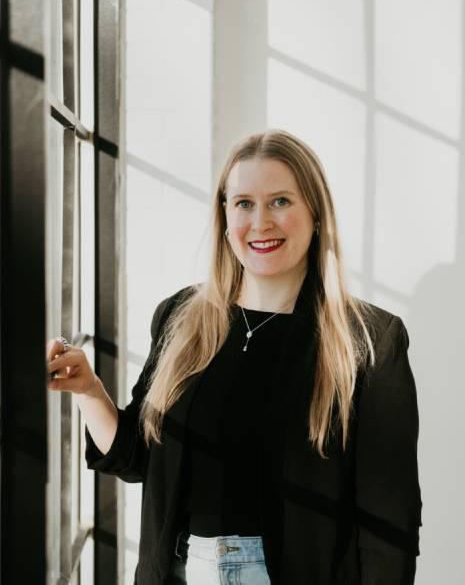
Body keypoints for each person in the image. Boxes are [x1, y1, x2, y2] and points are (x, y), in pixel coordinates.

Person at [47, 129, 423, 585]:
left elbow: (389, 521)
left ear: (316, 214)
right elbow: (139, 458)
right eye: (244, 203)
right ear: (225, 216)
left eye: (281, 201)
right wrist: (87, 389)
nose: (260, 222)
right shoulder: (180, 318)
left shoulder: (369, 338)